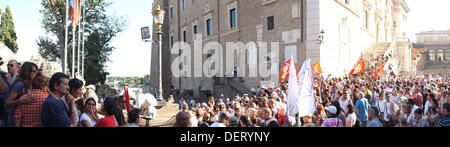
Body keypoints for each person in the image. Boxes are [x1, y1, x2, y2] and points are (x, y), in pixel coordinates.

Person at [5, 62, 38, 127]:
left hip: (25, 120)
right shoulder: (19, 85)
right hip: (14, 120)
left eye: (36, 71)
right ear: (27, 72)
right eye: (34, 71)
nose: (35, 73)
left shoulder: (31, 83)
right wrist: (20, 101)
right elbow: (6, 104)